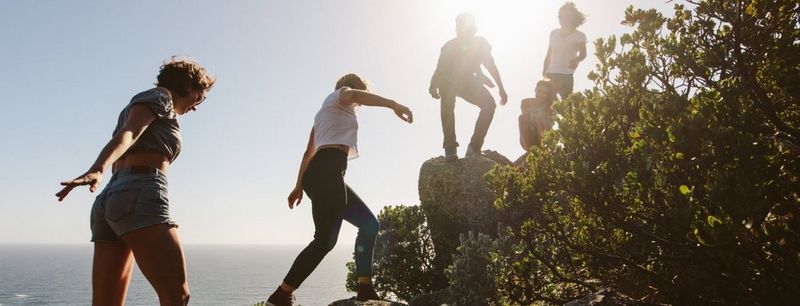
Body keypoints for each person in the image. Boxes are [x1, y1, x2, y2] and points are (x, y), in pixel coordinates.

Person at [55, 56, 215, 306]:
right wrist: (97, 168)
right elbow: (129, 133)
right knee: (177, 296)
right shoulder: (161, 97)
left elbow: (127, 135)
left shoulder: (144, 103)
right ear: (188, 85)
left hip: (112, 200)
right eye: (200, 96)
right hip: (139, 191)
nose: (197, 105)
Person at [266, 74, 413, 306]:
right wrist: (394, 104)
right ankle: (282, 294)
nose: (359, 102)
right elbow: (353, 95)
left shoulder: (323, 114)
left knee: (368, 225)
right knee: (325, 240)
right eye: (360, 94)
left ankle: (364, 287)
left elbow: (308, 153)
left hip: (324, 174)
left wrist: (299, 186)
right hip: (327, 172)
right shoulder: (340, 95)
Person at [429, 13, 508, 162]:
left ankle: (474, 147)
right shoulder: (449, 45)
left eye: (464, 25)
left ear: (472, 27)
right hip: (447, 81)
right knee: (447, 105)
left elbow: (490, 64)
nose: (461, 28)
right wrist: (433, 85)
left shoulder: (481, 43)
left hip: (467, 82)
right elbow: (440, 68)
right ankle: (450, 147)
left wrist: (501, 87)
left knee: (489, 105)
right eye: (459, 25)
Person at [542, 2, 587, 101]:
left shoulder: (579, 35)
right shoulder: (553, 33)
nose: (563, 19)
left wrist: (576, 60)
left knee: (566, 105)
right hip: (550, 74)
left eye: (567, 16)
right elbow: (549, 54)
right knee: (548, 103)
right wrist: (544, 73)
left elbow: (583, 54)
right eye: (560, 16)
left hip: (566, 75)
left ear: (573, 18)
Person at [519, 80, 557, 150]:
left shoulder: (550, 106)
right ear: (535, 90)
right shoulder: (526, 102)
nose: (541, 95)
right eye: (539, 91)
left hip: (544, 134)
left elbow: (549, 124)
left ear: (548, 95)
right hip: (529, 137)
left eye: (545, 93)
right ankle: (531, 151)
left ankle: (545, 149)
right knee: (522, 118)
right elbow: (526, 118)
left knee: (539, 119)